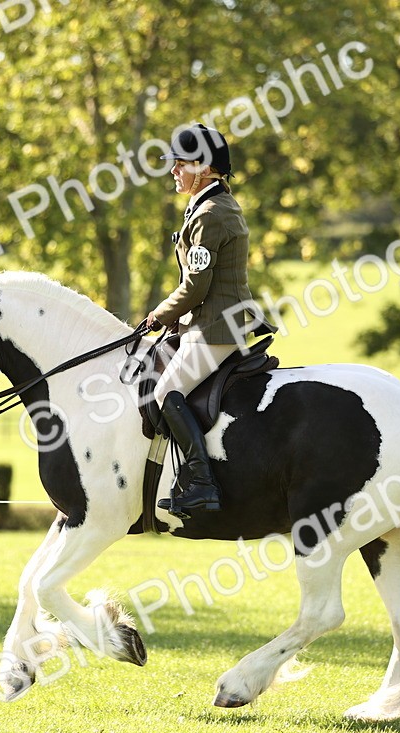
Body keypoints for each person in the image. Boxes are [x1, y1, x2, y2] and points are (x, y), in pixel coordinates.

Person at [143, 123, 267, 519]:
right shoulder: (207, 206)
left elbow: (195, 288)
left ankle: (201, 482)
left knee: (165, 393)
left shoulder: (212, 213)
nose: (173, 172)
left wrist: (157, 315)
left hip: (217, 326)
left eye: (180, 164)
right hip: (211, 321)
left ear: (206, 168)